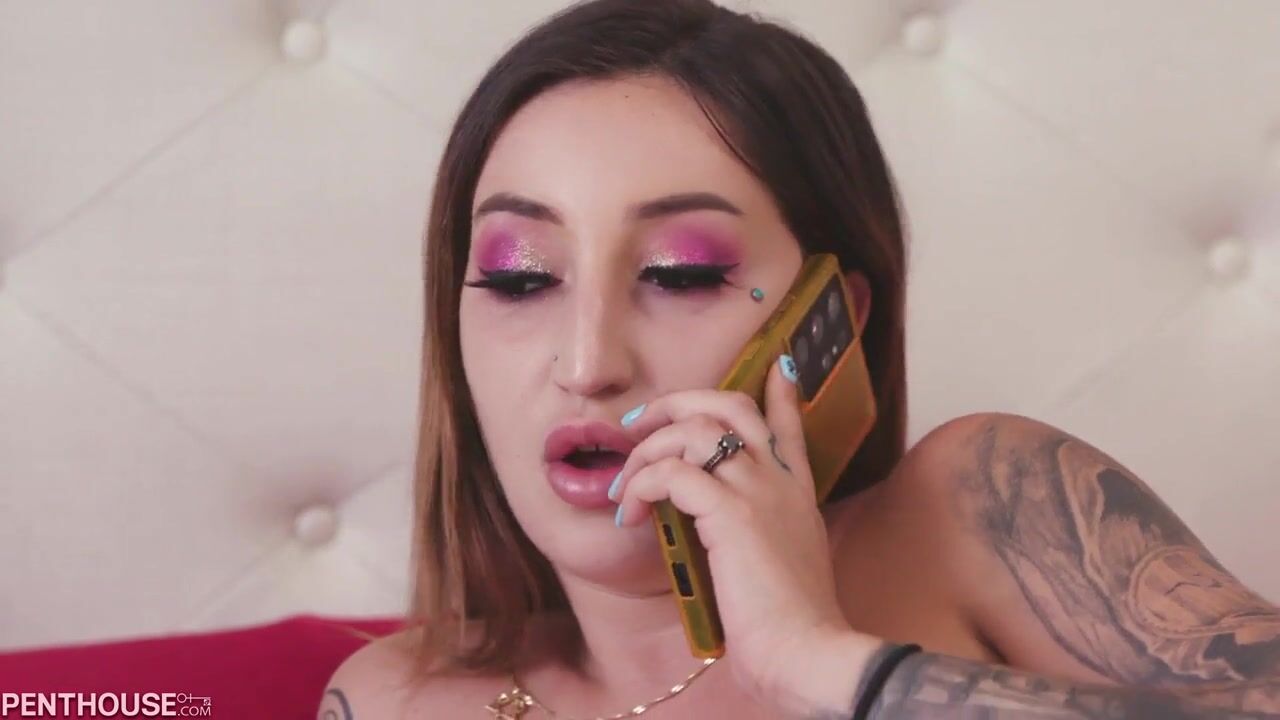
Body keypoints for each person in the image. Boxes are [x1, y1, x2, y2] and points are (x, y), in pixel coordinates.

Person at [317, 0, 1280, 717]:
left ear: (834, 319)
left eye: (680, 273)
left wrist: (816, 658)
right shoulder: (391, 699)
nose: (586, 361)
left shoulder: (979, 507)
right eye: (522, 278)